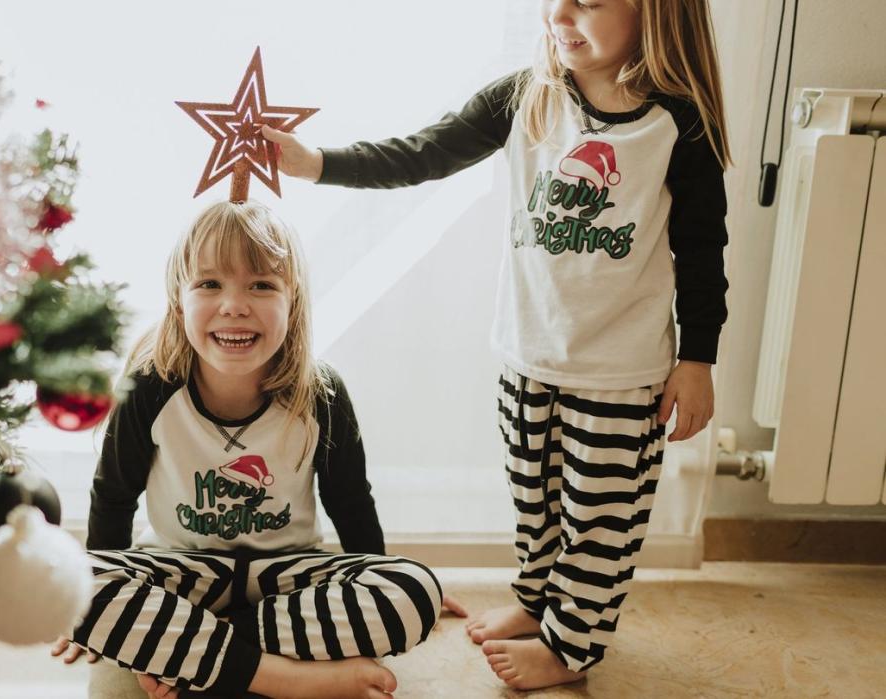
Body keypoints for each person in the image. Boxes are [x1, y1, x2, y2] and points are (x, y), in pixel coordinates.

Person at [261, 0, 729, 690]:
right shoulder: (525, 97)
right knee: (534, 503)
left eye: (589, 2)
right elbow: (424, 152)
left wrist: (699, 359)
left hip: (620, 374)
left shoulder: (676, 123)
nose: (561, 14)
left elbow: (702, 249)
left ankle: (572, 647)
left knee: (597, 520)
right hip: (526, 356)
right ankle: (538, 601)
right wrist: (318, 163)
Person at [52, 200, 448, 698]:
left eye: (261, 285)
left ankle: (188, 655)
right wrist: (96, 610)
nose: (234, 305)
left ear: (293, 301)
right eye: (210, 283)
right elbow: (111, 499)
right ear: (179, 301)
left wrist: (376, 577)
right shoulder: (151, 386)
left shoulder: (319, 393)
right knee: (71, 585)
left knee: (416, 590)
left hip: (288, 579)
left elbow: (350, 501)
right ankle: (285, 679)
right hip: (181, 572)